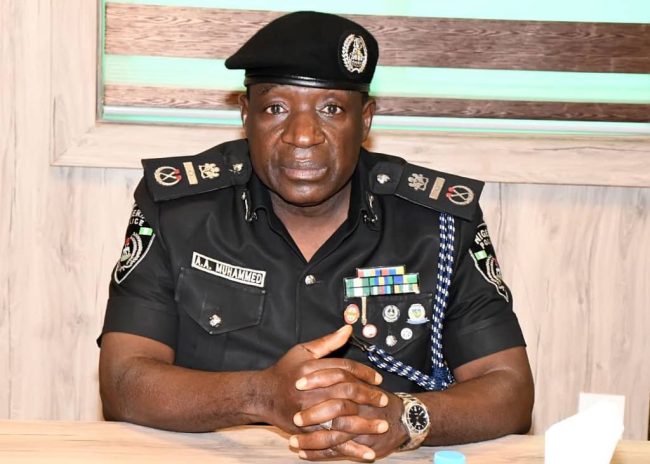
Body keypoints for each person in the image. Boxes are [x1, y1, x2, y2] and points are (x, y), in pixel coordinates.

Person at [98, 11, 534, 461]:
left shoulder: (437, 222)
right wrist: (259, 396)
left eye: (331, 109)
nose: (302, 136)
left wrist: (404, 418)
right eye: (276, 108)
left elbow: (510, 387)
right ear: (246, 116)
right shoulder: (178, 211)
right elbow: (122, 381)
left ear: (365, 120)